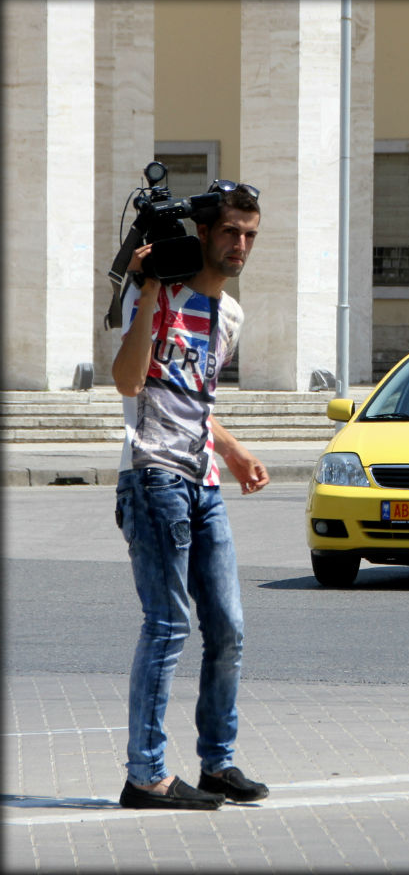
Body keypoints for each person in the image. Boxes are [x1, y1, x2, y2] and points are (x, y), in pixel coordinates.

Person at [112, 183, 271, 811]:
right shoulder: (156, 293)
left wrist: (230, 449)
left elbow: (194, 396)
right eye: (231, 232)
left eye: (250, 234)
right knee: (168, 623)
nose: (240, 245)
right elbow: (129, 382)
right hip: (153, 477)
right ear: (202, 234)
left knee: (228, 627)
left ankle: (217, 764)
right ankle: (145, 774)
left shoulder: (228, 315)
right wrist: (147, 287)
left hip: (202, 480)